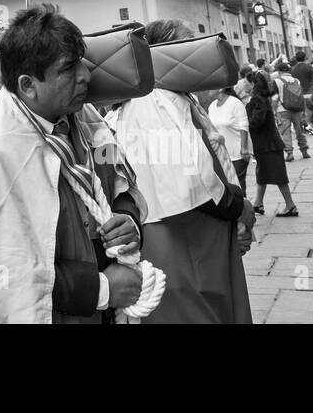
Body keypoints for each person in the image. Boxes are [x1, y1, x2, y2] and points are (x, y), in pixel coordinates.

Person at [0, 5, 147, 323]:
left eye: (83, 62)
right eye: (68, 68)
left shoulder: (81, 116)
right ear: (28, 85)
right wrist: (101, 289)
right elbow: (2, 270)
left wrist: (127, 220)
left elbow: (118, 178)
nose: (85, 76)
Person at [107, 20, 253, 323]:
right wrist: (240, 209)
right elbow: (189, 182)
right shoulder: (152, 100)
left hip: (198, 236)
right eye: (186, 46)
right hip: (181, 239)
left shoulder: (174, 96)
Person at [247, 73, 297, 215]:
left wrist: (244, 123)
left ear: (252, 84)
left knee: (279, 176)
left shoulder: (258, 99)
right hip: (265, 144)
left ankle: (290, 205)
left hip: (269, 144)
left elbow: (257, 121)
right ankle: (258, 203)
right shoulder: (259, 98)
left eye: (246, 82)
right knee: (262, 174)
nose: (243, 84)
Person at [209, 85, 253, 191]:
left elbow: (243, 125)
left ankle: (243, 206)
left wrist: (244, 148)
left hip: (238, 153)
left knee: (238, 185)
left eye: (211, 87)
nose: (208, 90)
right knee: (227, 186)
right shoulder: (212, 106)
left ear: (220, 88)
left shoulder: (235, 103)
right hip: (221, 153)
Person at [274, 60, 310, 161]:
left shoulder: (277, 81)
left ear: (279, 71)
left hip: (282, 110)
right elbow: (301, 97)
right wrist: (303, 110)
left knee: (286, 132)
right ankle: (304, 151)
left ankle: (289, 153)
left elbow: (274, 98)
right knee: (300, 131)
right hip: (297, 109)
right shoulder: (297, 81)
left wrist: (274, 111)